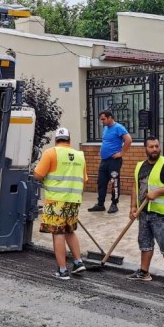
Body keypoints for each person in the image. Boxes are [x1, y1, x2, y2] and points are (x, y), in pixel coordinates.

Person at [33, 127, 87, 280]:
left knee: (58, 233)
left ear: (56, 140)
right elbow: (84, 179)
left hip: (56, 201)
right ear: (69, 140)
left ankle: (62, 270)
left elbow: (37, 175)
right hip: (74, 201)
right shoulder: (79, 155)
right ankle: (78, 262)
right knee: (70, 230)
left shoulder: (51, 153)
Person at [127, 135, 164, 289]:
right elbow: (135, 187)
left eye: (156, 146)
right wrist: (133, 207)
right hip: (144, 213)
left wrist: (156, 193)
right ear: (145, 148)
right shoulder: (139, 166)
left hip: (161, 214)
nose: (155, 149)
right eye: (151, 146)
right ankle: (144, 272)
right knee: (145, 244)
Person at [89, 110, 132, 214]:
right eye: (101, 120)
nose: (102, 122)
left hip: (114, 161)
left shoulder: (118, 128)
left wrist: (121, 153)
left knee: (114, 182)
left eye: (103, 119)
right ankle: (100, 204)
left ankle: (114, 204)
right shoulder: (105, 128)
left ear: (110, 117)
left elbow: (129, 140)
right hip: (104, 161)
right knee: (101, 182)